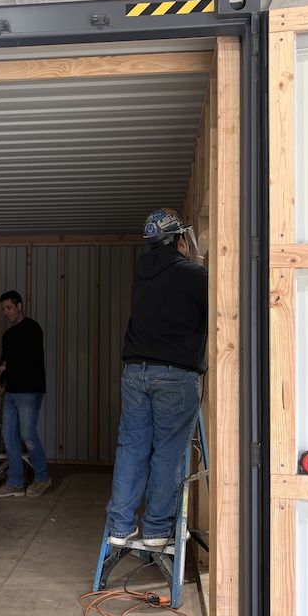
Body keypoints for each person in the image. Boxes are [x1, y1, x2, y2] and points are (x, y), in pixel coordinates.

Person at [105, 208, 208, 547]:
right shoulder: (195, 275)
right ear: (180, 239)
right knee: (167, 452)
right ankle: (156, 530)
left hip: (136, 373)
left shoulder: (142, 273)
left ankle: (120, 527)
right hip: (175, 376)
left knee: (131, 448)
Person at [0, 290, 52, 498]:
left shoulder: (32, 329)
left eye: (9, 307)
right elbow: (5, 360)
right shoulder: (7, 336)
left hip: (30, 390)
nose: (6, 312)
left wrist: (5, 367)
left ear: (19, 306)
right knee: (8, 435)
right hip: (11, 392)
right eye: (3, 309)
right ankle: (14, 482)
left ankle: (42, 477)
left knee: (27, 434)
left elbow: (26, 359)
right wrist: (1, 384)